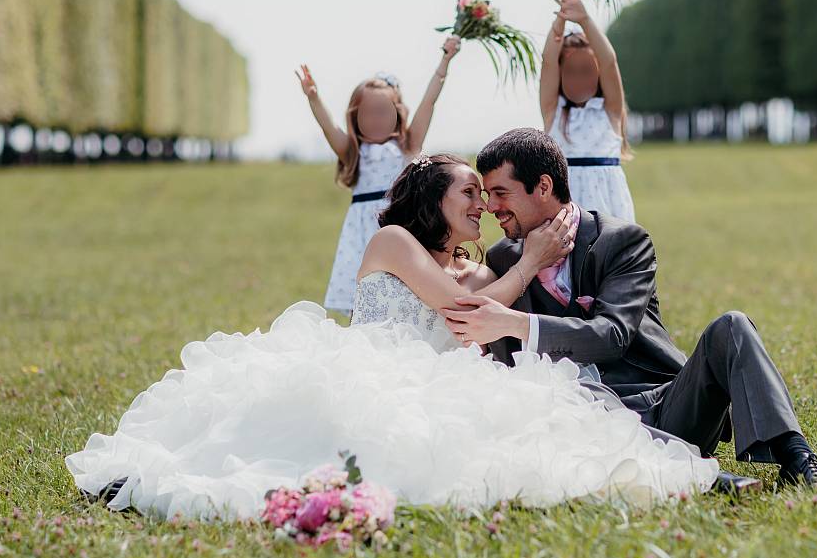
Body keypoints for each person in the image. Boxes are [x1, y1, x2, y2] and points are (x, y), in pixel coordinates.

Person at [66, 154, 719, 520]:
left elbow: (483, 318)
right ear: (434, 199)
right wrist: (526, 264)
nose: (483, 207)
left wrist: (521, 267)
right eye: (470, 193)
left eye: (487, 196)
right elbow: (461, 310)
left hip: (438, 382)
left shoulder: (477, 271)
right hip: (371, 371)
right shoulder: (394, 242)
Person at [442, 128, 817, 490]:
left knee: (733, 326)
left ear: (543, 186)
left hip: (665, 405)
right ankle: (705, 476)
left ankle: (797, 459)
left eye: (501, 193)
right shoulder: (505, 258)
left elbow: (612, 336)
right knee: (568, 389)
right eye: (488, 194)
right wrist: (528, 267)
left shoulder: (621, 241)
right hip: (583, 421)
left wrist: (517, 322)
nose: (491, 206)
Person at [295, 37, 459, 313]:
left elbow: (428, 102)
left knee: (407, 291)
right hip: (361, 237)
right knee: (363, 295)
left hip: (401, 227)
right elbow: (328, 127)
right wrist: (314, 97)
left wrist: (444, 61)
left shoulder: (408, 145)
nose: (375, 119)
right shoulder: (353, 151)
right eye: (368, 113)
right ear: (355, 116)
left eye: (383, 112)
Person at [540, 0, 636, 221]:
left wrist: (584, 19)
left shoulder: (610, 112)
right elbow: (548, 61)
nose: (579, 79)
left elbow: (609, 61)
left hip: (610, 213)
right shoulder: (554, 111)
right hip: (564, 215)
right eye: (570, 72)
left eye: (586, 71)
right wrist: (561, 20)